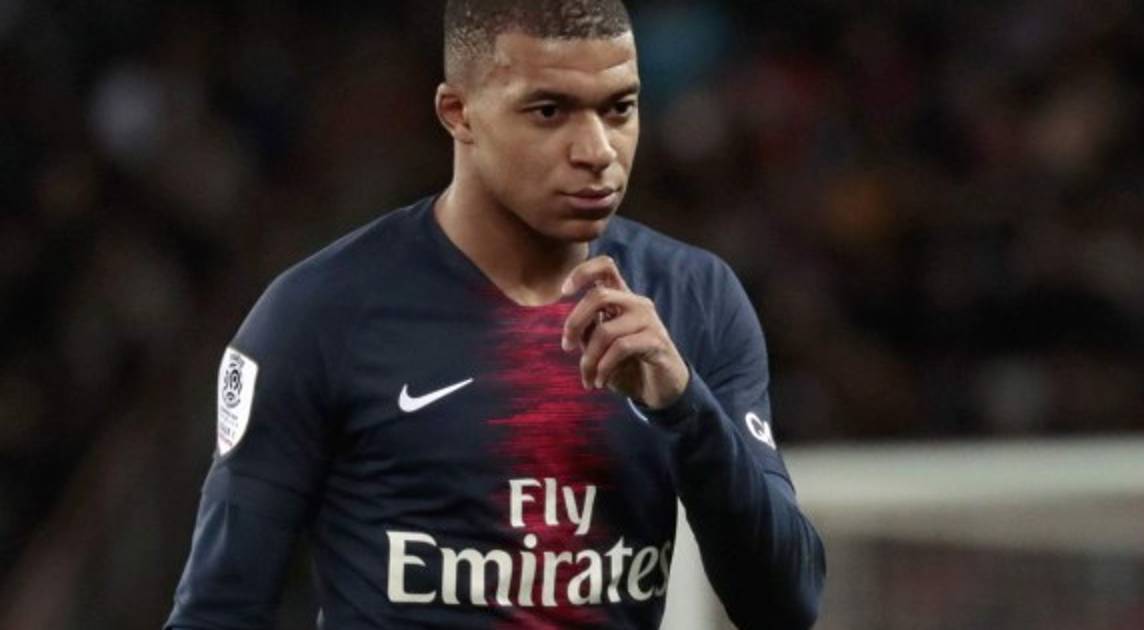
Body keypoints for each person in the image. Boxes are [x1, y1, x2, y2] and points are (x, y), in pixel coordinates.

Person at [164, 0, 825, 628]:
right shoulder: (317, 315)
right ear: (459, 114)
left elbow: (785, 606)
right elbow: (218, 612)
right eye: (549, 111)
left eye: (618, 108)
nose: (597, 150)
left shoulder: (695, 299)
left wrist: (684, 407)